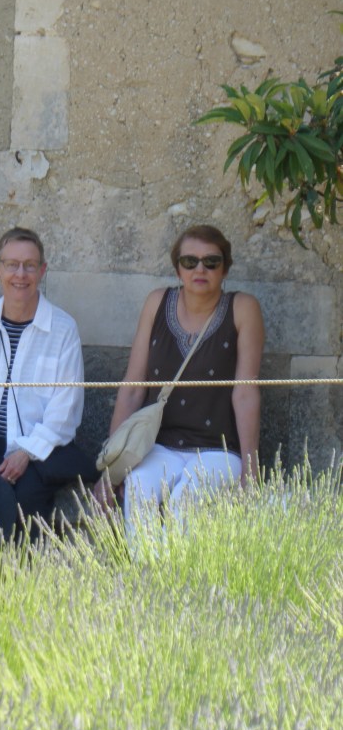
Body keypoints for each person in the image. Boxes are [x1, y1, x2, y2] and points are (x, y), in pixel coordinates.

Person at [95, 224, 264, 527]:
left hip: (218, 448)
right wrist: (112, 468)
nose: (200, 269)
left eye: (211, 261)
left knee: (185, 500)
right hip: (159, 445)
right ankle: (144, 559)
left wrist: (250, 471)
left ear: (225, 269)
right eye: (190, 261)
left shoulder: (242, 308)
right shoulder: (157, 302)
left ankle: (178, 562)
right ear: (178, 269)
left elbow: (245, 393)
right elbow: (133, 387)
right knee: (139, 487)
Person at [0, 226, 94, 527]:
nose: (20, 275)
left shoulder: (63, 329)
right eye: (11, 264)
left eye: (29, 266)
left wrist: (26, 452)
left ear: (42, 271)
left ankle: (25, 558)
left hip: (41, 449)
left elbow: (64, 410)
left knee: (24, 501)